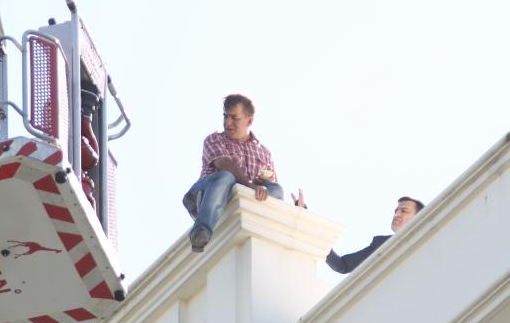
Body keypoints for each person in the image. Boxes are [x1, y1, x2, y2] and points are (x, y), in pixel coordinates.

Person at [182, 94, 284, 252]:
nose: (227, 122)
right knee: (226, 176)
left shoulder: (264, 152)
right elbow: (224, 163)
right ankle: (200, 233)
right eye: (225, 116)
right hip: (206, 192)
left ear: (249, 121)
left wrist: (298, 210)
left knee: (276, 189)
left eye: (234, 118)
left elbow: (271, 184)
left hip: (238, 197)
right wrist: (250, 184)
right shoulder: (214, 139)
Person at [294, 193, 424, 274]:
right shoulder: (381, 244)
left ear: (418, 217)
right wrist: (306, 218)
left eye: (404, 211)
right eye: (396, 211)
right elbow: (342, 265)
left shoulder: (427, 243)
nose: (396, 215)